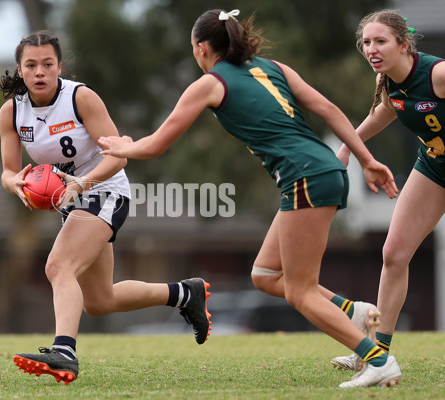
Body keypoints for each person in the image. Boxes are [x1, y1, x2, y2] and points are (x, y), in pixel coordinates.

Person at [99, 9, 402, 389]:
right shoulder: (272, 66)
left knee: (300, 292)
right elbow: (327, 109)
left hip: (304, 176)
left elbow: (157, 144)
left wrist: (123, 147)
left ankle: (378, 359)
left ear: (201, 48)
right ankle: (353, 312)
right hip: (321, 171)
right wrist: (367, 159)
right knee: (264, 275)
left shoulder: (209, 83)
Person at [0, 31, 212, 385]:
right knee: (99, 301)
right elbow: (8, 171)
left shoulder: (80, 98)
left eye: (47, 64)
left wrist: (82, 183)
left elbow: (118, 159)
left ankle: (64, 352)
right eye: (31, 65)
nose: (40, 72)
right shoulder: (12, 112)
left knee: (58, 265)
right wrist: (14, 183)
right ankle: (184, 293)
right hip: (73, 200)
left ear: (60, 67)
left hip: (105, 190)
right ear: (20, 70)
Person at [333, 9, 445, 384]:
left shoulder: (437, 74)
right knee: (393, 253)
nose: (371, 49)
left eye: (380, 41)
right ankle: (378, 354)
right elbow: (386, 112)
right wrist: (349, 147)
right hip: (434, 167)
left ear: (403, 43)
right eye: (366, 42)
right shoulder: (390, 82)